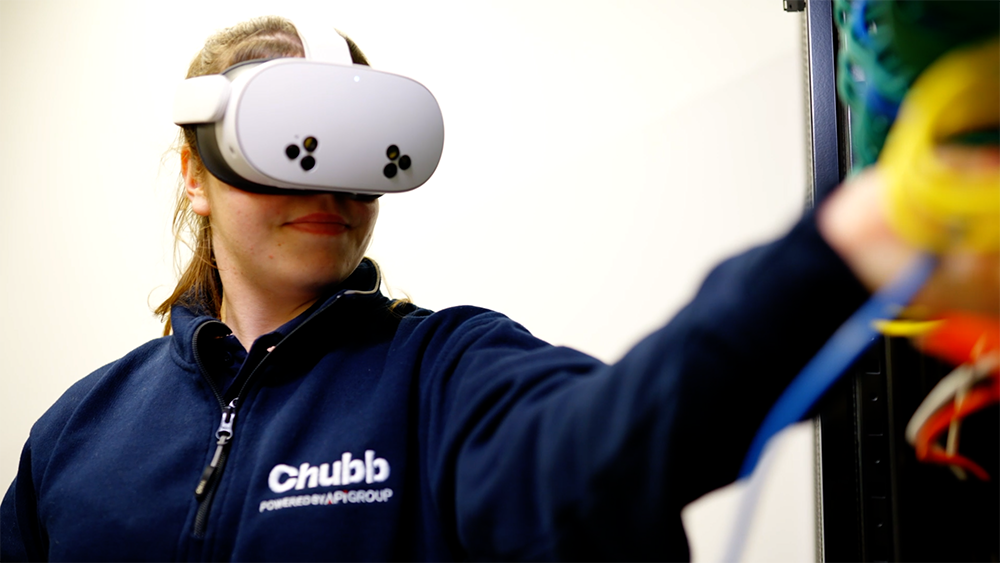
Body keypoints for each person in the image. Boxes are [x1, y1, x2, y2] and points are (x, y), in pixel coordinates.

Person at [2, 14, 998, 562]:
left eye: (363, 153)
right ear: (196, 172)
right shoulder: (74, 437)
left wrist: (840, 252)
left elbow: (605, 445)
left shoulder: (446, 377)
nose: (329, 188)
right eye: (289, 146)